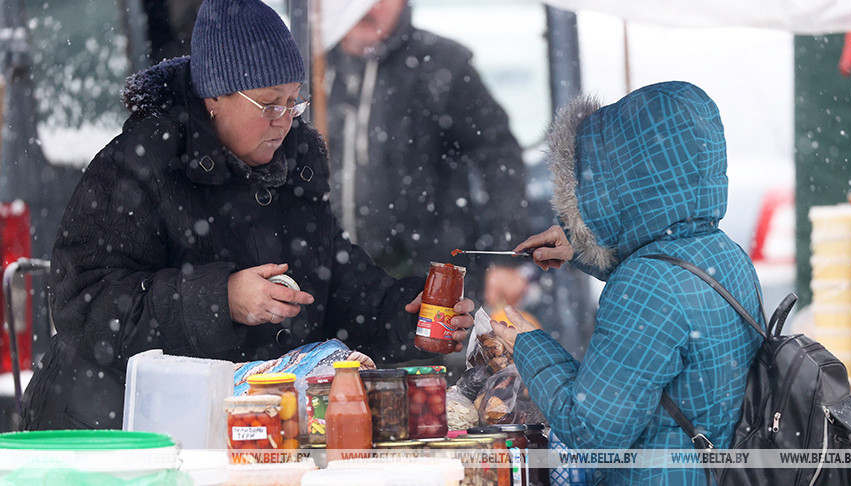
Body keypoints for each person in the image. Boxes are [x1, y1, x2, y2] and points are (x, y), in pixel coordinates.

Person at [20, 0, 473, 431]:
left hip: (231, 431)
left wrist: (407, 317)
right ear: (214, 96)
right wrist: (222, 300)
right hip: (114, 429)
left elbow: (335, 285)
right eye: (269, 103)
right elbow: (86, 302)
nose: (284, 120)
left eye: (294, 102)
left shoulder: (295, 169)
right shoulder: (138, 164)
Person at [492, 81, 764, 484]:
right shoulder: (722, 252)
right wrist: (583, 251)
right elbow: (673, 295)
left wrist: (527, 345)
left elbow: (589, 432)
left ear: (616, 181)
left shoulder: (646, 286)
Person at [325, 0, 530, 309]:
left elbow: (500, 158)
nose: (369, 7)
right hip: (331, 279)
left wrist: (505, 256)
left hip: (431, 280)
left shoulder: (443, 65)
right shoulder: (302, 64)